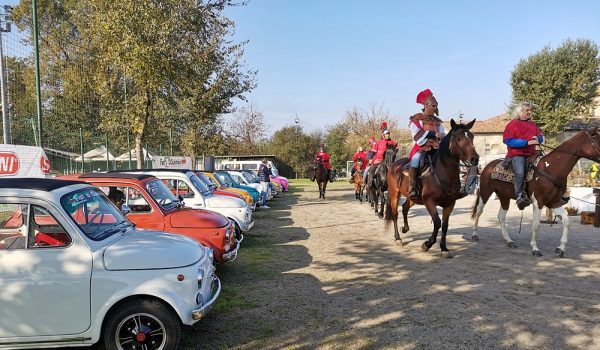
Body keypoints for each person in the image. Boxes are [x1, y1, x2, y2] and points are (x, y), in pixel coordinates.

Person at [503, 102, 544, 210]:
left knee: (547, 166)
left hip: (532, 154)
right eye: (527, 110)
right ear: (520, 112)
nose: (530, 112)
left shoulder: (532, 125)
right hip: (517, 154)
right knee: (520, 172)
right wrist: (526, 143)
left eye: (530, 110)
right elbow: (508, 140)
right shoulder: (512, 124)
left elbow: (540, 136)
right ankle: (519, 196)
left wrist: (538, 139)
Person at [407, 88, 446, 200]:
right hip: (421, 147)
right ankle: (413, 187)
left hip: (437, 147)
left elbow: (444, 133)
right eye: (432, 106)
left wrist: (443, 136)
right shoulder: (417, 119)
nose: (434, 108)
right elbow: (417, 136)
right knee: (415, 160)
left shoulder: (438, 121)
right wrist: (433, 133)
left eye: (435, 106)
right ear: (426, 105)